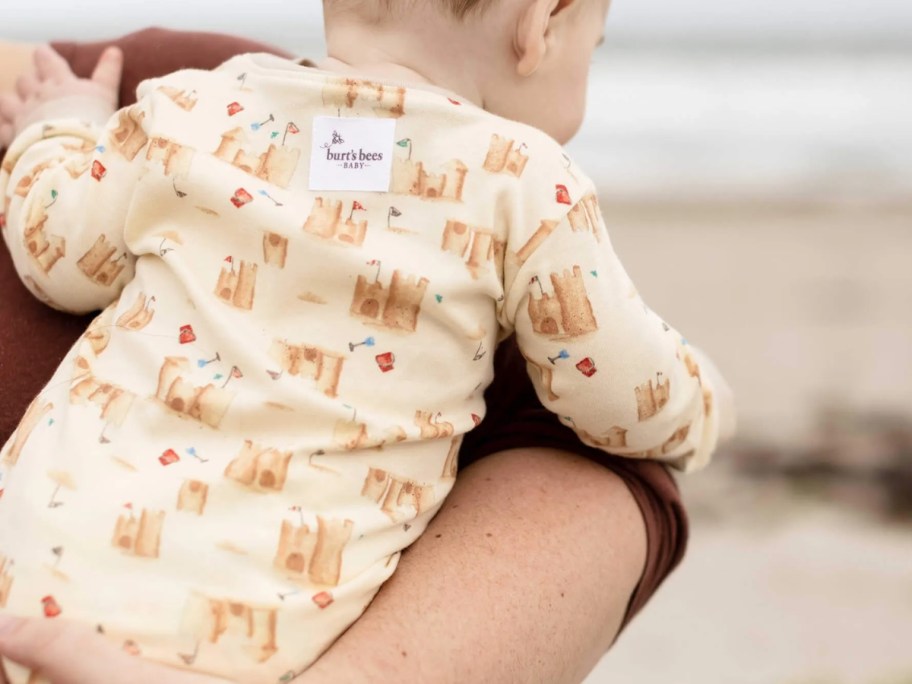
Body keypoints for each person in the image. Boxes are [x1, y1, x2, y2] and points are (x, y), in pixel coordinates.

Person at [0, 3, 730, 682]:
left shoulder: (189, 109)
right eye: (592, 53)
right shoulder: (527, 187)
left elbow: (55, 254)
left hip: (31, 566)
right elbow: (618, 396)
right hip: (237, 635)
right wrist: (707, 402)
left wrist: (60, 126)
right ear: (543, 23)